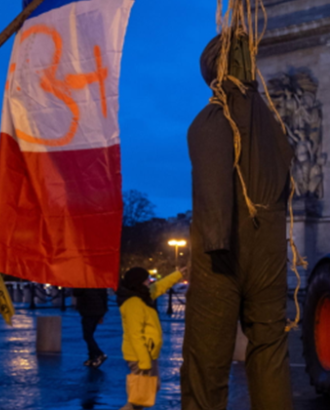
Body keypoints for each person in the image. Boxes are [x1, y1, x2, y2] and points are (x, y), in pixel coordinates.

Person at [182, 35, 295, 410]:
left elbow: (213, 184)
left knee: (206, 359)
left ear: (214, 71)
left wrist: (215, 241)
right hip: (271, 250)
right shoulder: (273, 125)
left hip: (225, 251)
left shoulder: (213, 117)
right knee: (269, 349)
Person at [119, 266, 185, 410]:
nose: (149, 282)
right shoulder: (133, 303)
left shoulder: (143, 296)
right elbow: (135, 335)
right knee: (139, 396)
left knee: (147, 390)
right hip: (140, 356)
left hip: (148, 353)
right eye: (146, 280)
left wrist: (178, 274)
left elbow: (160, 286)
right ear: (139, 282)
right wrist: (144, 362)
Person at [72, 287, 109, 367]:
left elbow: (76, 292)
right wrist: (102, 313)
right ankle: (92, 357)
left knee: (87, 335)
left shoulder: (83, 283)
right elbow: (104, 296)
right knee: (89, 334)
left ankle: (99, 354)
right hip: (98, 310)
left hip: (88, 310)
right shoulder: (98, 282)